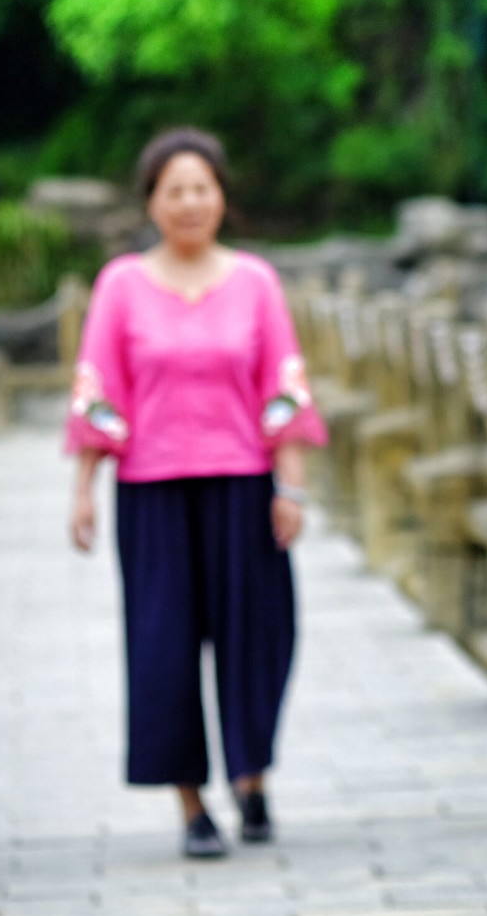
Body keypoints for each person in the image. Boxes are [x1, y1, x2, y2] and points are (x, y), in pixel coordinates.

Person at [66, 128, 327, 860]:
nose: (189, 202)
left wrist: (293, 487)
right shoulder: (120, 284)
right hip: (151, 492)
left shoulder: (255, 282)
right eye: (173, 190)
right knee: (163, 646)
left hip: (243, 485)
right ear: (150, 201)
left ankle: (253, 778)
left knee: (257, 636)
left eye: (201, 188)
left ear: (222, 197)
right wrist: (84, 488)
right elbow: (98, 387)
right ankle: (190, 803)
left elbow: (284, 384)